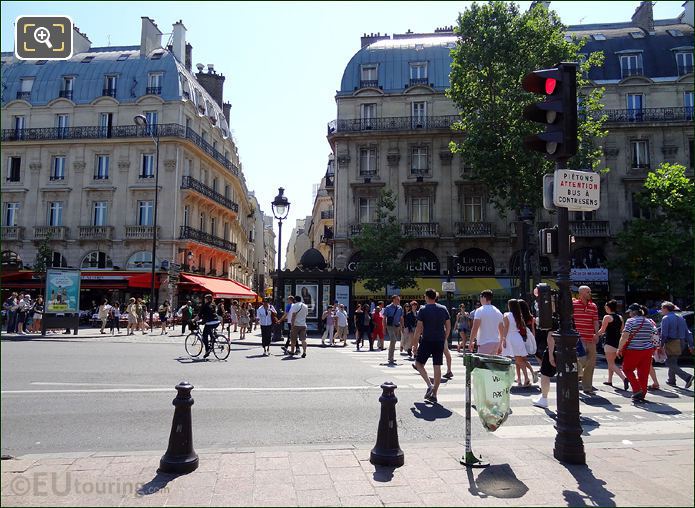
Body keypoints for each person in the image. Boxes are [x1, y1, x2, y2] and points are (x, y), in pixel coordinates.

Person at [412, 289, 451, 405]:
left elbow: (418, 329)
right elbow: (448, 326)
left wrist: (414, 345)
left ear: (426, 297)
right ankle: (434, 394)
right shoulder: (443, 309)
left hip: (427, 340)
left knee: (418, 364)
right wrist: (445, 338)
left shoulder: (423, 309)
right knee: (437, 366)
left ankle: (429, 385)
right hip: (439, 340)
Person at [618, 303, 658, 402]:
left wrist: (619, 348)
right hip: (647, 350)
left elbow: (625, 336)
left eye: (630, 312)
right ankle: (642, 393)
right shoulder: (649, 321)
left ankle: (636, 389)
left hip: (633, 350)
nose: (629, 314)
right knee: (643, 373)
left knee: (627, 369)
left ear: (634, 312)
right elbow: (654, 335)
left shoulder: (631, 321)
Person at [659, 301, 694, 389]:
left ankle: (687, 377)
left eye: (662, 308)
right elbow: (688, 333)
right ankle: (671, 380)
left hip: (671, 342)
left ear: (666, 309)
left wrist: (660, 345)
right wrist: (691, 345)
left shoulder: (666, 318)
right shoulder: (681, 318)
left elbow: (664, 334)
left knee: (669, 363)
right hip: (682, 342)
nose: (661, 310)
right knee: (673, 361)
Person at [573, 285, 600, 394]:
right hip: (579, 338)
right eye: (588, 292)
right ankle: (576, 379)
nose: (590, 293)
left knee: (591, 363)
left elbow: (595, 321)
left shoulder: (593, 306)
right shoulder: (574, 305)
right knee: (581, 360)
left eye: (590, 291)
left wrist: (596, 334)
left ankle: (587, 387)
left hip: (590, 337)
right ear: (581, 294)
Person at [597, 300, 628, 390]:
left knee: (610, 363)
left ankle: (624, 378)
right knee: (611, 362)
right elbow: (622, 330)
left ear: (608, 307)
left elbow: (602, 330)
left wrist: (595, 335)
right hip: (618, 342)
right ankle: (609, 380)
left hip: (609, 341)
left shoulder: (607, 317)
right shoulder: (620, 317)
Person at [501, 299, 532, 386]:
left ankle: (507, 379)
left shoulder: (506, 315)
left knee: (507, 359)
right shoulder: (518, 315)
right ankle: (526, 378)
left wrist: (503, 338)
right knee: (520, 360)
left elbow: (506, 327)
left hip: (510, 337)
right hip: (517, 337)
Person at [469, 290, 504, 354]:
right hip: (496, 342)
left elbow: (475, 328)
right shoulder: (498, 311)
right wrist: (500, 344)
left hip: (484, 342)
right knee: (492, 363)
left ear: (484, 298)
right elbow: (501, 330)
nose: (480, 300)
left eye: (480, 297)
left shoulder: (480, 310)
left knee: (482, 363)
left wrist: (471, 342)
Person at [196, 294, 220, 359]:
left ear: (207, 299)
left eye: (205, 299)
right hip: (217, 322)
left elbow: (199, 315)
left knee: (204, 336)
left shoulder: (205, 305)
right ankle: (213, 339)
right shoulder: (214, 305)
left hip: (210, 322)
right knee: (210, 332)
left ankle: (207, 350)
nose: (204, 300)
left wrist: (193, 320)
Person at [384, 295, 404, 364]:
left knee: (393, 342)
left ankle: (390, 356)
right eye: (398, 299)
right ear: (394, 300)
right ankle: (391, 358)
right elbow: (384, 318)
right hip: (390, 326)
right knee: (393, 340)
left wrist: (402, 327)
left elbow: (401, 318)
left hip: (397, 326)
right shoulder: (388, 307)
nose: (399, 300)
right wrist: (384, 328)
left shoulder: (400, 308)